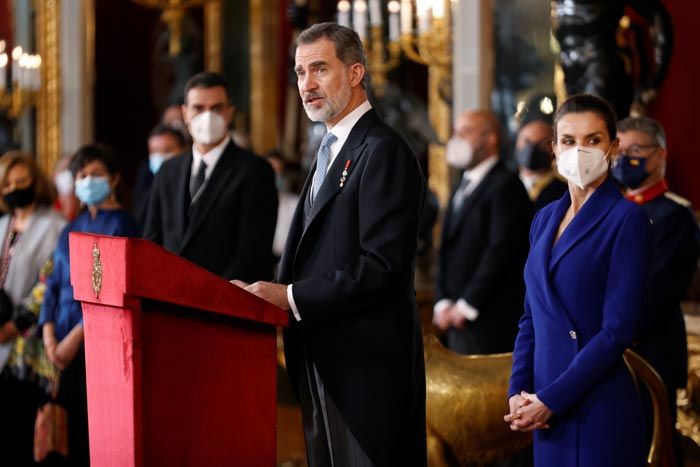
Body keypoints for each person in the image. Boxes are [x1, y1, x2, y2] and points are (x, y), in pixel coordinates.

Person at [236, 23, 427, 466]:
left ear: (356, 72)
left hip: (364, 373)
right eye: (300, 73)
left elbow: (382, 266)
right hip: (320, 358)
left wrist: (288, 296)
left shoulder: (382, 150)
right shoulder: (330, 148)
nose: (306, 85)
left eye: (319, 69)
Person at [505, 94, 652, 467]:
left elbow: (617, 331)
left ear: (613, 147)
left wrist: (552, 400)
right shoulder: (544, 218)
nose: (579, 150)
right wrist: (518, 392)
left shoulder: (626, 220)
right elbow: (530, 318)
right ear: (554, 148)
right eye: (569, 141)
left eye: (593, 140)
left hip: (596, 402)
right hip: (543, 406)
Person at [40, 144, 139, 467]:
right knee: (66, 437)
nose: (87, 181)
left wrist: (73, 340)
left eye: (96, 174)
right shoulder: (71, 226)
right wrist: (49, 335)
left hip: (98, 344)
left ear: (113, 179)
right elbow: (52, 285)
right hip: (60, 345)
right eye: (81, 175)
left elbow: (112, 292)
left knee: (94, 433)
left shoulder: (123, 225)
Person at [612, 116, 700, 466]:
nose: (625, 160)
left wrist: (610, 333)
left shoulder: (674, 215)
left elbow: (656, 290)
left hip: (649, 351)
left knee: (652, 449)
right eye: (620, 150)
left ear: (659, 155)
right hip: (610, 351)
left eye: (636, 150)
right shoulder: (611, 211)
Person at [144, 72, 278, 282]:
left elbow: (253, 252)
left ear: (229, 113)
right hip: (170, 298)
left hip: (224, 302)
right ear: (185, 113)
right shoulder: (168, 170)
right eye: (198, 108)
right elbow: (152, 240)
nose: (207, 116)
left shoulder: (255, 170)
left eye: (216, 108)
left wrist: (210, 297)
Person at [433, 109, 532, 355]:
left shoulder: (506, 185)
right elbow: (445, 247)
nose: (457, 140)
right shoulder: (460, 186)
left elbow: (500, 250)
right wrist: (442, 301)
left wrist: (466, 306)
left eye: (465, 132)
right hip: (454, 317)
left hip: (489, 319)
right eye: (455, 133)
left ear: (490, 139)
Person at [0, 151, 66, 465]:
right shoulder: (3, 223)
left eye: (22, 181)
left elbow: (48, 282)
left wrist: (15, 325)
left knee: (21, 430)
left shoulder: (54, 225)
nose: (15, 188)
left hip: (29, 343)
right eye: (8, 183)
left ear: (35, 182)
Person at [132, 124, 188, 228]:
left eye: (168, 150)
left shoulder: (191, 186)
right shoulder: (145, 186)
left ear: (184, 150)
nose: (160, 157)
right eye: (154, 151)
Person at [515, 117, 567, 212]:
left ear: (552, 148)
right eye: (527, 141)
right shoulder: (503, 185)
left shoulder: (564, 193)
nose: (531, 148)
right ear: (517, 143)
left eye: (540, 143)